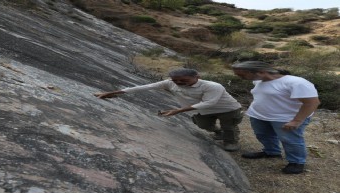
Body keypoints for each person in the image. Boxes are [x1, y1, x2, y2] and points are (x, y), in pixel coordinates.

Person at [94, 68, 243, 151]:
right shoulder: (170, 83)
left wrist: (177, 111)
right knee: (203, 125)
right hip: (202, 110)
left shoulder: (212, 86)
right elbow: (144, 87)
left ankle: (231, 141)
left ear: (197, 76)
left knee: (228, 125)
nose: (179, 83)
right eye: (175, 80)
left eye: (184, 80)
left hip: (226, 109)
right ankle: (218, 132)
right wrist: (113, 93)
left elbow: (210, 103)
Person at [231, 61, 320, 174]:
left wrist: (297, 121)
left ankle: (297, 162)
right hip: (259, 115)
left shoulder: (296, 82)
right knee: (263, 135)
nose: (239, 77)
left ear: (261, 72)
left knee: (290, 140)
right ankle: (271, 152)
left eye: (241, 74)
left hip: (285, 118)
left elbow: (312, 103)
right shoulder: (258, 80)